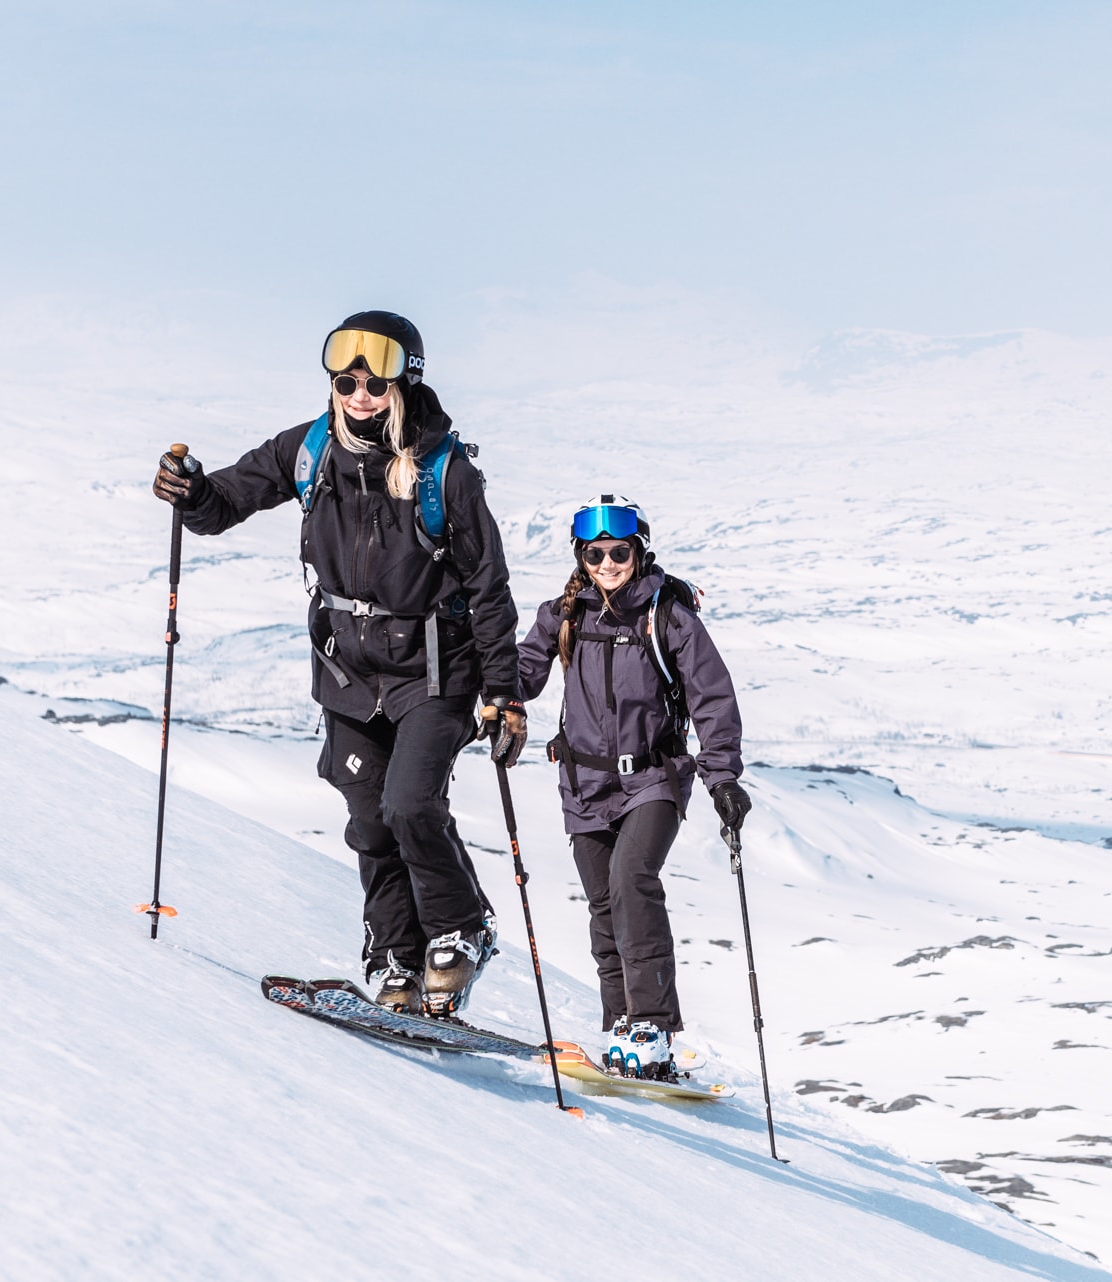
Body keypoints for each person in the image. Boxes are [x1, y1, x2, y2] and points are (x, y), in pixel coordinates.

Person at [151, 311, 528, 1019]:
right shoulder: (313, 449)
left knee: (411, 804)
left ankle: (460, 927)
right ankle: (396, 958)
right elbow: (223, 504)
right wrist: (190, 490)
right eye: (347, 377)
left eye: (375, 380)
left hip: (433, 673)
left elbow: (489, 588)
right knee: (370, 821)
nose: (359, 392)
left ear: (405, 382)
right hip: (349, 674)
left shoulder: (447, 472)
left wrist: (504, 697)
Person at [516, 495, 752, 1078]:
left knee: (631, 882)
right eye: (595, 553)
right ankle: (622, 1022)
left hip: (654, 778)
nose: (608, 563)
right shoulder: (565, 613)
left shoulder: (667, 613)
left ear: (638, 549)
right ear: (581, 555)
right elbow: (523, 671)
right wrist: (495, 694)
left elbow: (711, 696)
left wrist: (722, 776)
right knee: (603, 904)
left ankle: (653, 1027)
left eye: (619, 552)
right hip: (583, 783)